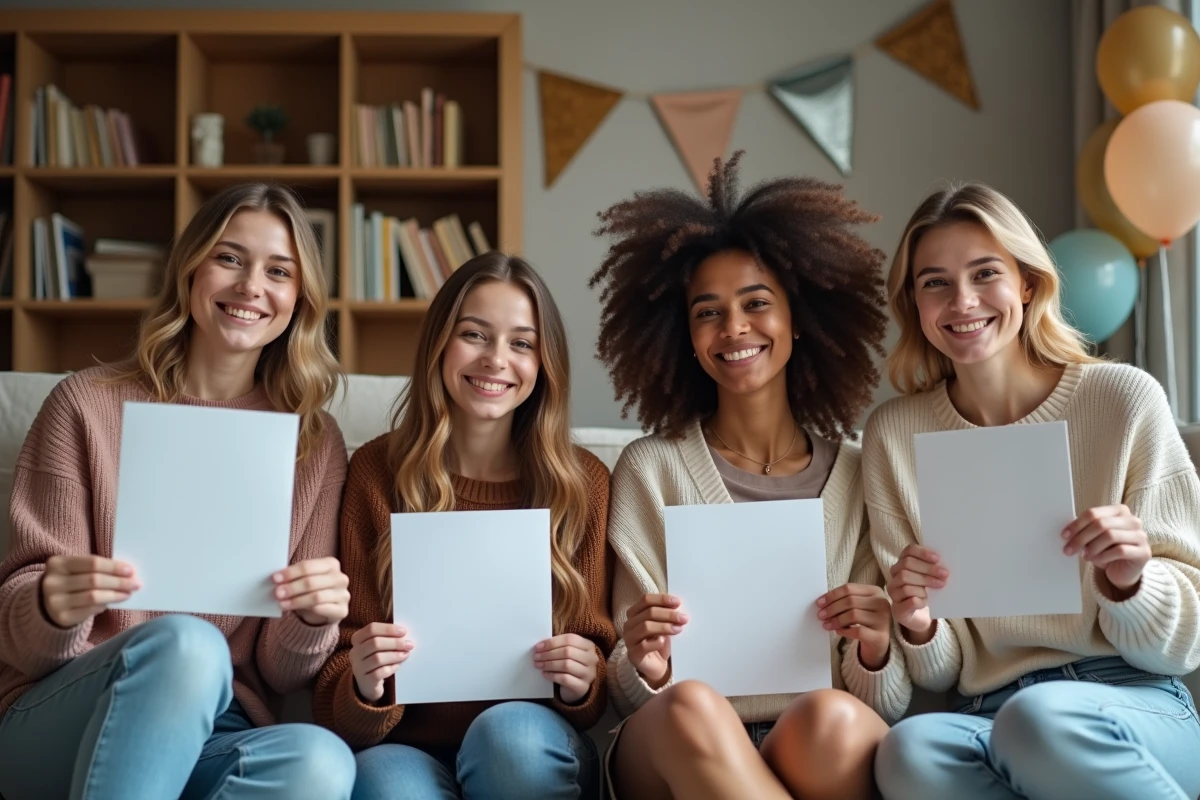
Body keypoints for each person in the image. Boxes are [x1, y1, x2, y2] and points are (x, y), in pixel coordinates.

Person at [0, 182, 356, 800]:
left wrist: (311, 616)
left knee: (320, 761)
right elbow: (22, 636)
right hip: (61, 711)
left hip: (217, 731)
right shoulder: (84, 405)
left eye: (278, 271)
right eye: (229, 258)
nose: (251, 286)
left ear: (299, 299)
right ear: (191, 269)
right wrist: (52, 605)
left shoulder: (313, 443)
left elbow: (279, 670)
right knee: (190, 646)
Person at [589, 151, 910, 800]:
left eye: (756, 303)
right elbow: (628, 691)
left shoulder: (857, 473)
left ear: (800, 317)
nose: (733, 328)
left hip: (813, 740)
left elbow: (890, 700)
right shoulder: (651, 471)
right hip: (675, 746)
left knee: (836, 717)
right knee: (693, 707)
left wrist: (875, 647)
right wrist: (643, 661)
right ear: (684, 333)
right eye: (707, 311)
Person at [865, 181, 1200, 800]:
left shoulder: (1123, 400)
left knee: (1038, 720)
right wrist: (915, 623)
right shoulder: (895, 434)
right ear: (913, 304)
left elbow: (1187, 644)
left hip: (1135, 701)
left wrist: (1131, 580)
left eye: (984, 273)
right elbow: (946, 670)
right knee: (908, 750)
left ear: (1026, 282)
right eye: (933, 282)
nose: (961, 300)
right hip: (990, 710)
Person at [313, 252, 615, 800]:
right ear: (440, 344)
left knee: (509, 739)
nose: (497, 359)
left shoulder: (583, 483)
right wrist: (363, 680)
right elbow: (338, 660)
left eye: (521, 343)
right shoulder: (376, 472)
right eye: (475, 334)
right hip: (407, 748)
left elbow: (596, 662)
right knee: (385, 785)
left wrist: (582, 678)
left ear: (544, 363)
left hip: (529, 741)